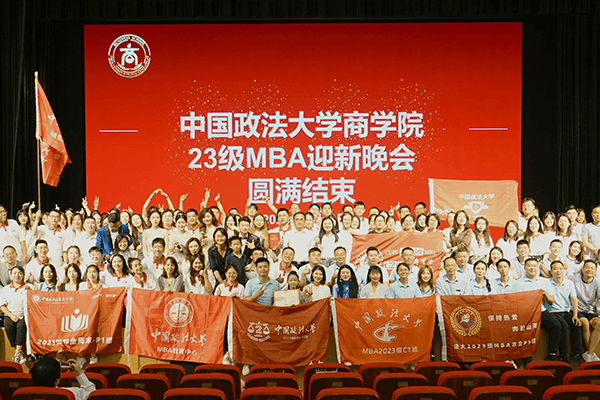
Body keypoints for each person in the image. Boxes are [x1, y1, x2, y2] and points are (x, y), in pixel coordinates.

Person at [545, 260, 584, 363]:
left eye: (560, 269)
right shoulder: (546, 283)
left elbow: (574, 300)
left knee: (576, 324)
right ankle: (563, 355)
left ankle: (576, 354)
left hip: (566, 312)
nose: (558, 271)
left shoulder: (569, 283)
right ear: (551, 271)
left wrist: (575, 315)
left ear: (563, 270)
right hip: (552, 312)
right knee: (563, 325)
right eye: (555, 269)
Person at [0, 266, 32, 363]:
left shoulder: (28, 287)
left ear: (23, 275)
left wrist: (31, 289)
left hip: (25, 315)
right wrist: (11, 315)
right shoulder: (6, 289)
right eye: (14, 273)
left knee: (21, 326)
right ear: (11, 275)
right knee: (9, 326)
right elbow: (2, 306)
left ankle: (17, 352)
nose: (17, 275)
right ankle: (18, 353)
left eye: (20, 273)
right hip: (10, 314)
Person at [571, 260, 600, 362]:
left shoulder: (597, 282)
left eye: (592, 268)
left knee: (599, 324)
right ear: (583, 269)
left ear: (595, 271)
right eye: (587, 267)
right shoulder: (574, 279)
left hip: (590, 311)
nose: (589, 270)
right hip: (577, 310)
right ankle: (590, 354)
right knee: (585, 323)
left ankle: (589, 353)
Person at [30, 357, 96, 400]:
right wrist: (79, 373)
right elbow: (93, 396)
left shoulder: (26, 395)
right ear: (56, 381)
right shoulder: (71, 393)